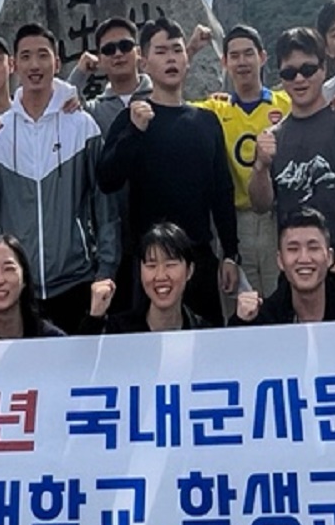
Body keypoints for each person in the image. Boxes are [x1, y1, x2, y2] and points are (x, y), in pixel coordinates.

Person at [0, 25, 120, 333]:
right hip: (19, 291)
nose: (34, 65)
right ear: (15, 64)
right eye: (26, 57)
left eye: (42, 55)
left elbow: (105, 207)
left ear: (57, 61)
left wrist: (106, 270)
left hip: (76, 281)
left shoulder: (81, 126)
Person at [99, 18, 240, 324]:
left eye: (177, 50)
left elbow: (222, 191)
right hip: (151, 262)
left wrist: (230, 253)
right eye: (161, 52)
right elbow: (107, 180)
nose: (171, 58)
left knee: (205, 342)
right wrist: (134, 133)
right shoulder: (130, 118)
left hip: (198, 257)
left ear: (187, 59)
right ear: (144, 62)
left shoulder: (206, 121)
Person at [249, 28, 335, 296]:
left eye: (308, 69)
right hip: (297, 279)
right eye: (290, 73)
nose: (299, 78)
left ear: (324, 69)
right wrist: (261, 166)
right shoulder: (274, 136)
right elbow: (261, 204)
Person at [190, 25, 291, 299]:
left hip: (277, 218)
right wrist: (190, 49)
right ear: (224, 62)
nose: (242, 62)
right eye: (234, 56)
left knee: (281, 300)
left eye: (249, 54)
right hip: (234, 224)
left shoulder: (285, 104)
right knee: (239, 306)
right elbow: (169, 100)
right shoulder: (215, 110)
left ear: (263, 57)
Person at [233, 208, 335, 325]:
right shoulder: (267, 316)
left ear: (329, 257)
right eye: (293, 249)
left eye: (313, 248)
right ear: (280, 260)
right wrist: (241, 320)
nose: (304, 258)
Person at [80, 221, 209, 333]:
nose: (160, 276)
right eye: (151, 265)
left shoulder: (204, 333)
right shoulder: (118, 331)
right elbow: (85, 352)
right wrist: (95, 316)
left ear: (189, 270)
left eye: (170, 265)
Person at [68, 16, 154, 133]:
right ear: (100, 59)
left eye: (125, 46)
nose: (118, 54)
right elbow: (65, 105)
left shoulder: (160, 97)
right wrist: (80, 72)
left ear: (138, 52)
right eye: (109, 49)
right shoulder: (95, 111)